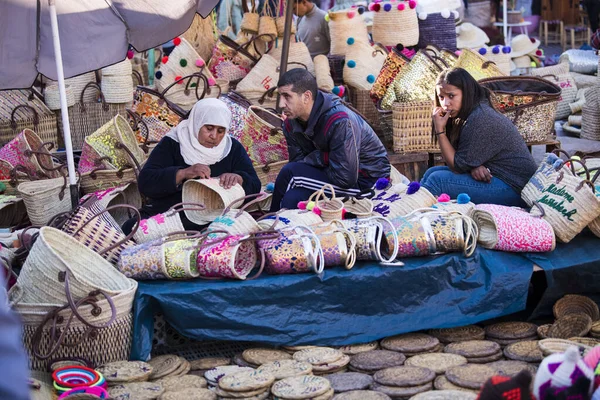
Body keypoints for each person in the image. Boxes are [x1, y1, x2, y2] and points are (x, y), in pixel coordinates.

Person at [122, 98, 261, 234]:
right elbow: (146, 182)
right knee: (132, 228)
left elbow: (255, 185)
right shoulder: (174, 143)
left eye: (220, 131)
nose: (214, 136)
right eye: (209, 128)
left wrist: (240, 178)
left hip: (215, 218)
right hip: (170, 213)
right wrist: (182, 173)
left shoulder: (231, 148)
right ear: (197, 122)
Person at [270, 68, 390, 212]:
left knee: (290, 173)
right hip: (331, 174)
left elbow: (345, 178)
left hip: (366, 181)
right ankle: (282, 228)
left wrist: (319, 157)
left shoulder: (339, 121)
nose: (281, 104)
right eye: (280, 96)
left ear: (306, 97)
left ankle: (270, 222)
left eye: (287, 96)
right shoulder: (291, 123)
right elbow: (299, 161)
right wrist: (324, 159)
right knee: (292, 197)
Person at [420, 67, 537, 207]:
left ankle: (413, 219)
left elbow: (457, 165)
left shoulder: (481, 117)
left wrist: (440, 131)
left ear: (467, 92)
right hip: (497, 177)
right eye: (441, 97)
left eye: (451, 96)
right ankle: (415, 210)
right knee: (431, 172)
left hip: (517, 190)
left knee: (437, 181)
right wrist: (473, 166)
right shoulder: (470, 112)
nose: (445, 104)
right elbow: (465, 159)